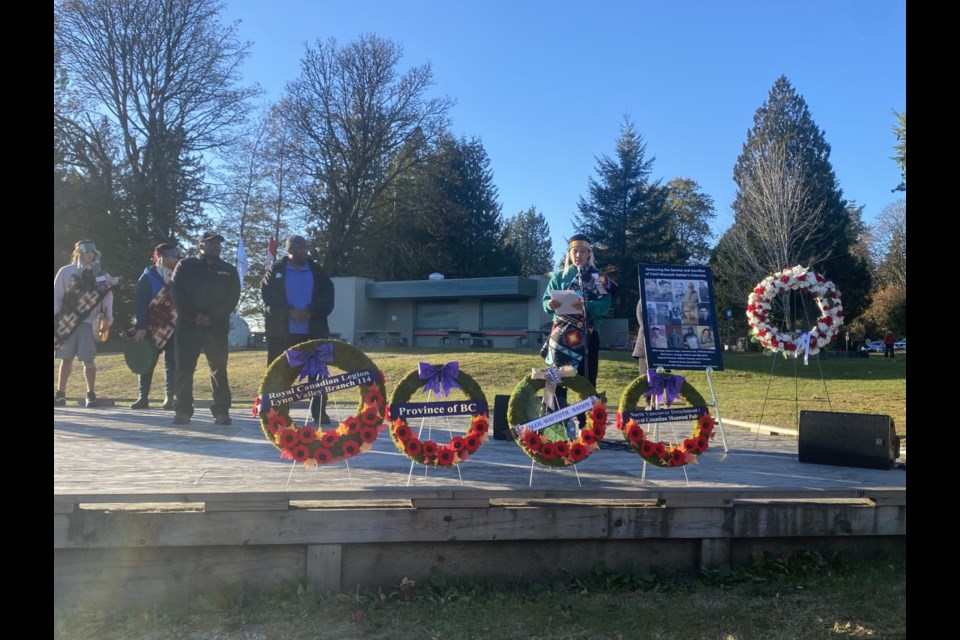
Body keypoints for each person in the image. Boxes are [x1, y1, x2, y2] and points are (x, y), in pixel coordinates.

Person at [261, 235, 336, 425]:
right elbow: (268, 297)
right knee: (280, 373)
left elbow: (328, 297)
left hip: (313, 332)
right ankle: (278, 411)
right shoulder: (275, 270)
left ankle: (319, 411)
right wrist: (289, 311)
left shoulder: (318, 271)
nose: (304, 251)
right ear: (290, 250)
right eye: (300, 248)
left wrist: (311, 311)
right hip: (282, 334)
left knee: (317, 374)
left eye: (305, 248)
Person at [170, 231, 241, 425]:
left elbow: (232, 297)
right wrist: (194, 316)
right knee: (184, 369)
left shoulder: (228, 269)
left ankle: (221, 411)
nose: (215, 246)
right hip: (188, 326)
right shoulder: (185, 265)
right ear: (201, 246)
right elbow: (176, 292)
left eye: (218, 243)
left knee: (219, 369)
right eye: (211, 243)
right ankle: (183, 410)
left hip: (216, 327)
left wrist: (212, 317)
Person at [542, 234, 611, 432]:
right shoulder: (559, 276)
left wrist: (585, 306)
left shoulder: (598, 277)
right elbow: (545, 300)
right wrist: (550, 304)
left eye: (583, 251)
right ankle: (557, 423)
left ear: (590, 253)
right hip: (562, 335)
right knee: (558, 378)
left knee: (587, 379)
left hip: (588, 335)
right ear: (569, 254)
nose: (578, 255)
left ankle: (587, 425)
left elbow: (605, 305)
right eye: (575, 251)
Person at [54, 240, 116, 408]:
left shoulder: (101, 274)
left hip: (90, 322)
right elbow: (57, 296)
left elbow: (107, 297)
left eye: (92, 252)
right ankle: (60, 394)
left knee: (88, 359)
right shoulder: (65, 272)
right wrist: (56, 318)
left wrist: (107, 319)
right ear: (79, 252)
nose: (90, 255)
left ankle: (90, 394)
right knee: (65, 358)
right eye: (87, 252)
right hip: (67, 321)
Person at [130, 243, 180, 410]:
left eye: (175, 256)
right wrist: (142, 326)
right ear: (161, 257)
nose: (175, 259)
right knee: (147, 361)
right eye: (171, 256)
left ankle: (169, 398)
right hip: (151, 325)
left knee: (171, 363)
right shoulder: (148, 276)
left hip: (173, 326)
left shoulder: (178, 275)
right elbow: (140, 303)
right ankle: (143, 397)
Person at [632, 300, 647, 374]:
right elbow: (639, 313)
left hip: (662, 351)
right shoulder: (643, 298)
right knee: (644, 374)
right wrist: (644, 327)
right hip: (644, 343)